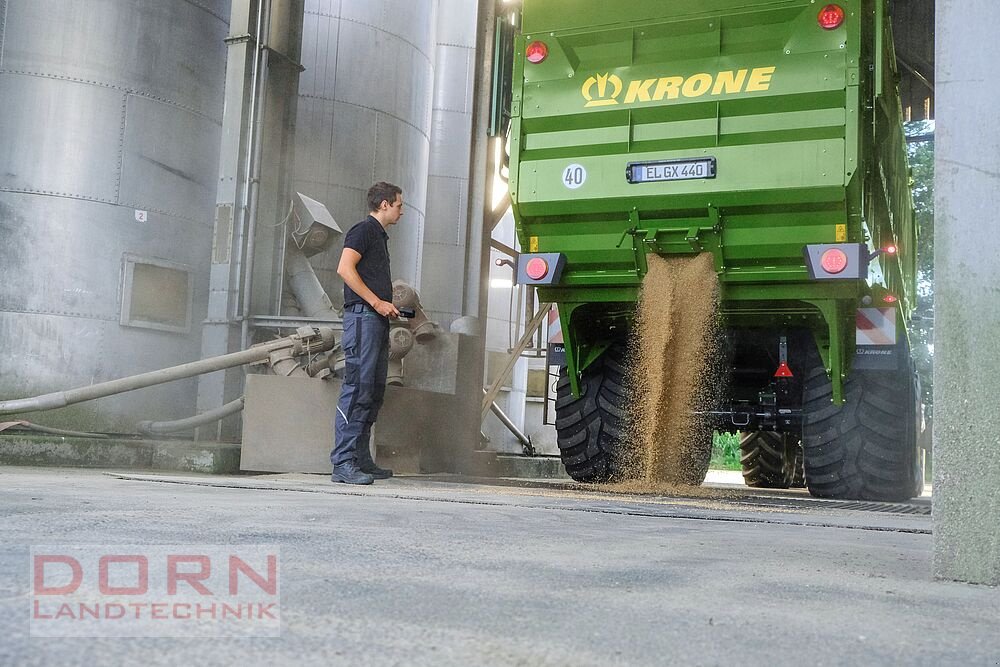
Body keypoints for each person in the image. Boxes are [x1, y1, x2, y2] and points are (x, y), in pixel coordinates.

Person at [330, 182, 402, 485]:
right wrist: (376, 302)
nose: (402, 211)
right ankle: (343, 462)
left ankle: (360, 459)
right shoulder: (363, 230)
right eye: (399, 205)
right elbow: (345, 269)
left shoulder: (378, 236)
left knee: (372, 390)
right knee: (358, 387)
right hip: (363, 319)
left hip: (375, 320)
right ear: (383, 204)